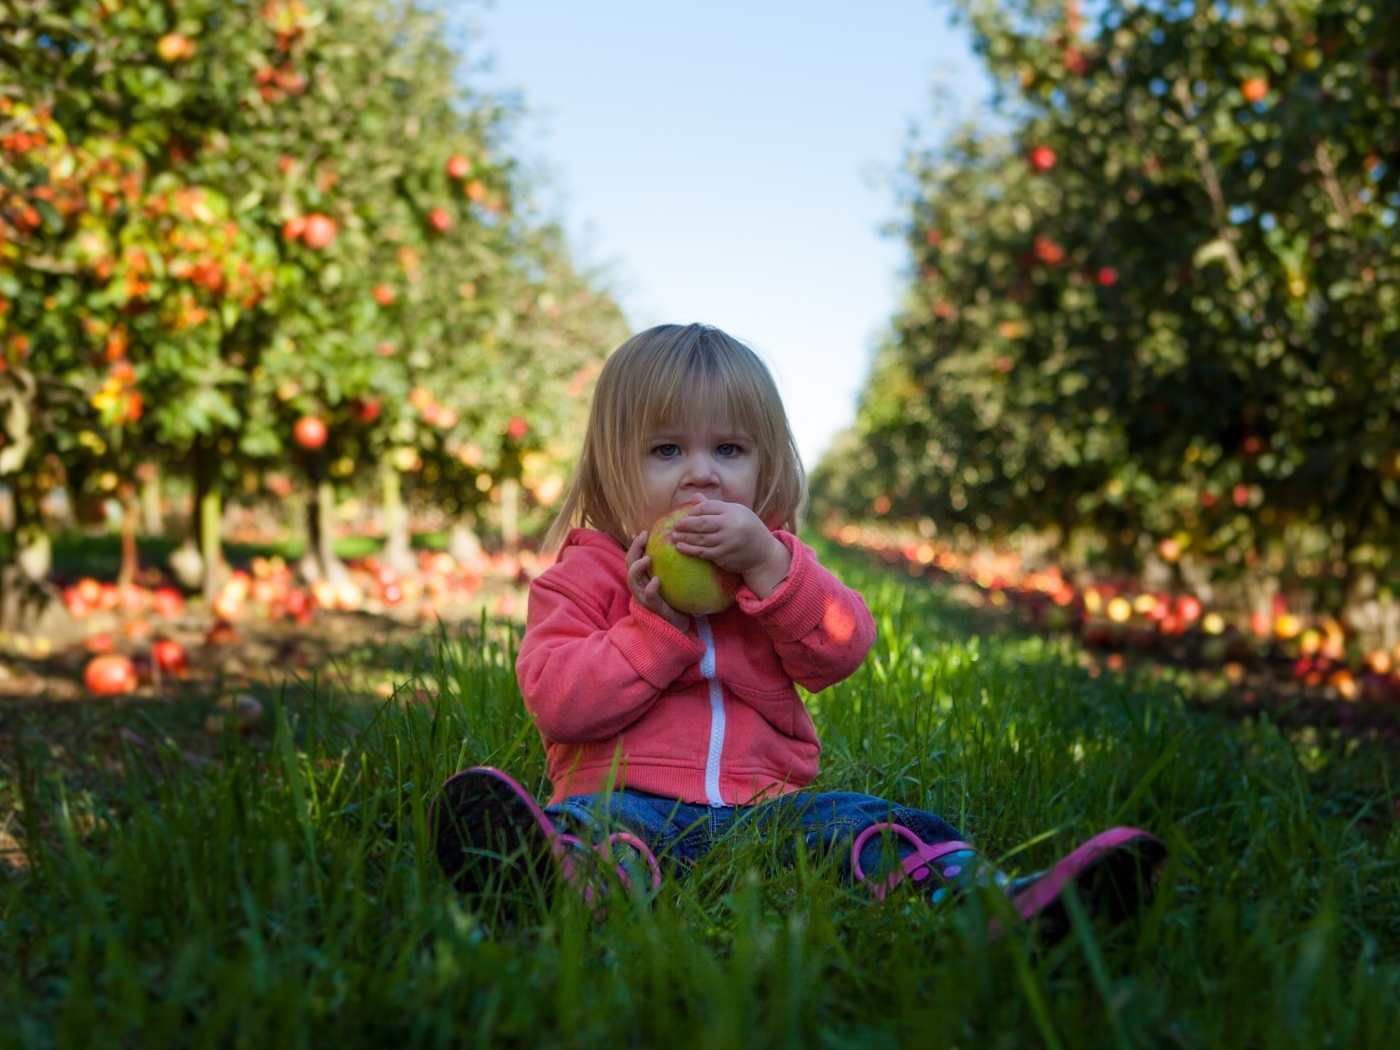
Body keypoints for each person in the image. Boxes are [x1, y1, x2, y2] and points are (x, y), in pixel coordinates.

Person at [432, 322, 1165, 939]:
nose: (701, 477)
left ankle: (999, 904)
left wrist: (771, 568)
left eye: (729, 450)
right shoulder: (581, 580)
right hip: (625, 797)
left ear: (765, 464)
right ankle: (553, 881)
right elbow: (559, 703)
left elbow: (842, 649)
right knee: (594, 832)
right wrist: (655, 631)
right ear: (610, 465)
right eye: (666, 451)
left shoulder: (775, 567)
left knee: (875, 826)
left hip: (767, 810)